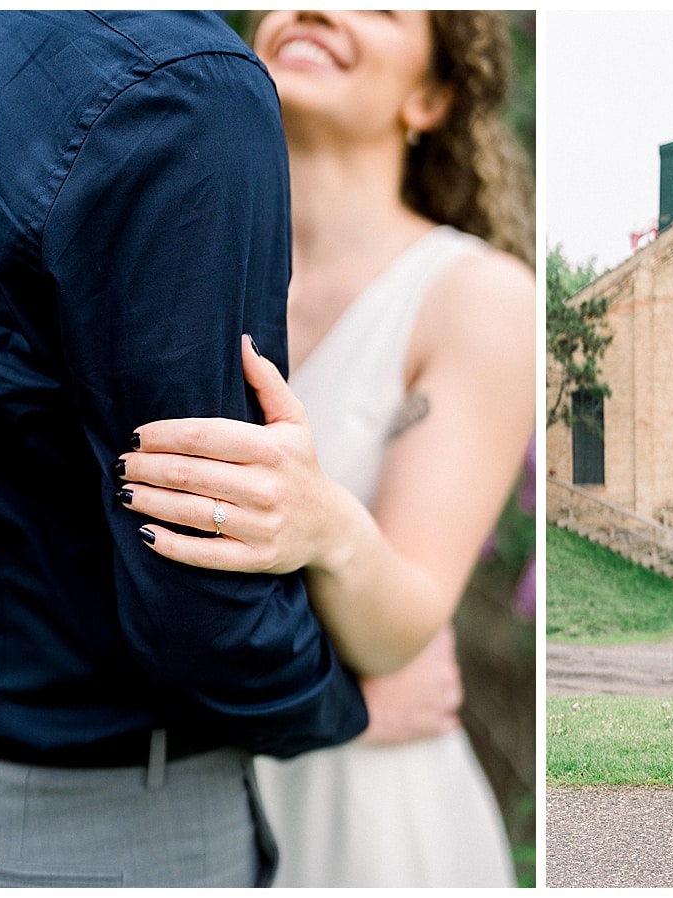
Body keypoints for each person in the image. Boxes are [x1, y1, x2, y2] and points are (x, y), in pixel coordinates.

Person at [113, 10, 535, 887]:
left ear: (429, 96)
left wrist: (327, 528)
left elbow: (403, 630)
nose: (312, 8)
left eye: (378, 6)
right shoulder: (154, 256)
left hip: (368, 822)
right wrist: (344, 709)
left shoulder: (478, 299)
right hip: (155, 801)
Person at [0, 11, 368, 887]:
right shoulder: (183, 89)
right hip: (101, 817)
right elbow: (199, 596)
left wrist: (335, 534)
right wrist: (340, 711)